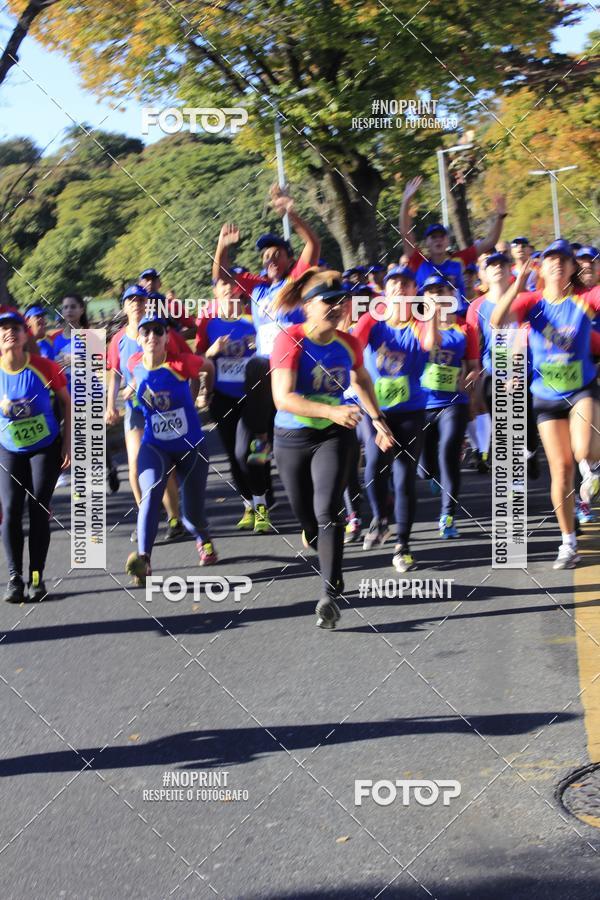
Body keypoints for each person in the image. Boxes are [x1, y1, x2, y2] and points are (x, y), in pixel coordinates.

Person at [270, 269, 394, 629]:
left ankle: (329, 591)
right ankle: (322, 551)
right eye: (329, 301)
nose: (338, 307)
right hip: (291, 438)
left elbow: (363, 379)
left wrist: (378, 420)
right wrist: (330, 409)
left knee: (328, 510)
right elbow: (283, 398)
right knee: (307, 520)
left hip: (334, 436)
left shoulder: (348, 343)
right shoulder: (289, 340)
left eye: (342, 301)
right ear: (308, 306)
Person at [491, 241, 600, 569]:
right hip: (545, 398)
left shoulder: (585, 300)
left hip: (581, 389)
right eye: (549, 260)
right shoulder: (530, 302)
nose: (555, 265)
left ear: (571, 268)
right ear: (542, 267)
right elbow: (498, 321)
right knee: (561, 471)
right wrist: (517, 282)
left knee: (583, 451)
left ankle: (593, 466)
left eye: (562, 261)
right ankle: (568, 543)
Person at [212, 186, 321, 502]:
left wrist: (292, 213)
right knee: (245, 449)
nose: (272, 258)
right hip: (263, 374)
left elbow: (313, 244)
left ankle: (328, 497)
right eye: (266, 255)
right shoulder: (256, 289)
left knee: (302, 438)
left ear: (289, 259)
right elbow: (220, 276)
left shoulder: (296, 283)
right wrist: (222, 247)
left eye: (278, 253)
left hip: (296, 371)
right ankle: (262, 495)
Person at [124, 313, 217, 585]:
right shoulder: (133, 363)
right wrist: (131, 389)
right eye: (146, 332)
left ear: (166, 338)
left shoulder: (181, 363)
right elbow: (138, 379)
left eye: (158, 331)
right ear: (139, 339)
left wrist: (204, 395)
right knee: (150, 494)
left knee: (192, 513)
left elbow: (208, 367)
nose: (152, 336)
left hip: (191, 446)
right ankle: (144, 560)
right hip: (155, 446)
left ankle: (203, 537)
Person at [352, 265, 434, 571]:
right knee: (374, 468)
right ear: (386, 290)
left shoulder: (420, 321)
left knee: (404, 479)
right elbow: (352, 351)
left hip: (411, 410)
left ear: (415, 291)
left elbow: (428, 345)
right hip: (375, 411)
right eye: (394, 283)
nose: (400, 288)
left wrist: (432, 315)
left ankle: (403, 545)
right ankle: (380, 518)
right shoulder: (371, 320)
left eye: (406, 284)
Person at [106, 285, 194, 541]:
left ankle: (174, 518)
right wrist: (111, 404)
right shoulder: (119, 339)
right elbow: (115, 374)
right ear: (124, 306)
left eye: (140, 299)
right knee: (135, 466)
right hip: (134, 410)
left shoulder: (162, 332)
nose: (136, 303)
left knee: (163, 466)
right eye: (130, 300)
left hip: (162, 411)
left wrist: (184, 395)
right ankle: (146, 517)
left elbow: (183, 364)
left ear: (147, 304)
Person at [0, 310, 71, 602]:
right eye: (4, 329)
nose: (10, 333)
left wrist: (68, 444)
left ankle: (37, 576)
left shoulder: (44, 367)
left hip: (45, 445)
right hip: (8, 448)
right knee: (11, 511)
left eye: (16, 328)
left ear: (25, 334)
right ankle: (15, 578)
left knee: (38, 506)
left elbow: (68, 403)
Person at [196, 273, 271, 533]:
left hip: (255, 396)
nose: (227, 289)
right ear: (215, 292)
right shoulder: (208, 323)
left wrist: (256, 348)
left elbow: (270, 353)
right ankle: (249, 504)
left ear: (239, 290)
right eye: (222, 285)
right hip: (223, 398)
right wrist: (211, 352)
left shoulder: (254, 321)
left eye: (231, 285)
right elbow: (199, 359)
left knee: (255, 450)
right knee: (234, 454)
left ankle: (262, 502)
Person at [417, 276, 480, 538]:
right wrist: (431, 317)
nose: (436, 295)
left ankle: (448, 515)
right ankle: (433, 478)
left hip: (454, 401)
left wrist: (472, 376)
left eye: (441, 290)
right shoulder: (416, 326)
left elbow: (475, 365)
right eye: (430, 292)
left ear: (451, 294)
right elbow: (428, 345)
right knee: (424, 469)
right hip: (421, 403)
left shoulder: (466, 328)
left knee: (448, 454)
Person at [467, 252, 539, 477]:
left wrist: (516, 373)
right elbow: (473, 345)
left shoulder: (526, 299)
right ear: (484, 274)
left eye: (502, 264)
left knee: (526, 425)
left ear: (511, 271)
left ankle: (530, 451)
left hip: (525, 371)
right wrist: (474, 375)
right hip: (492, 373)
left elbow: (531, 334)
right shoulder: (476, 306)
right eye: (492, 265)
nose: (497, 268)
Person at [400, 176, 507, 297]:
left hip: (456, 315)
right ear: (427, 243)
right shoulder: (418, 261)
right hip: (427, 315)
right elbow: (405, 233)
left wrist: (500, 217)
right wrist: (406, 202)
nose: (438, 240)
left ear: (447, 241)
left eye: (442, 236)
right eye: (433, 237)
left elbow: (490, 241)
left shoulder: (459, 259)